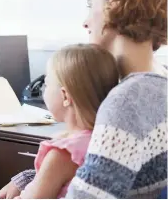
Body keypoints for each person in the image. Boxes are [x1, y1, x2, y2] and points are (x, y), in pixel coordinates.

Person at [0, 0, 167, 198]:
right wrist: (33, 178)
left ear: (115, 3)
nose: (85, 22)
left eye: (90, 6)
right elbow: (96, 165)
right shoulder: (154, 85)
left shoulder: (128, 102)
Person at [13, 44, 119, 199]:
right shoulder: (109, 140)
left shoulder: (63, 153)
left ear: (65, 96)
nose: (43, 90)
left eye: (47, 84)